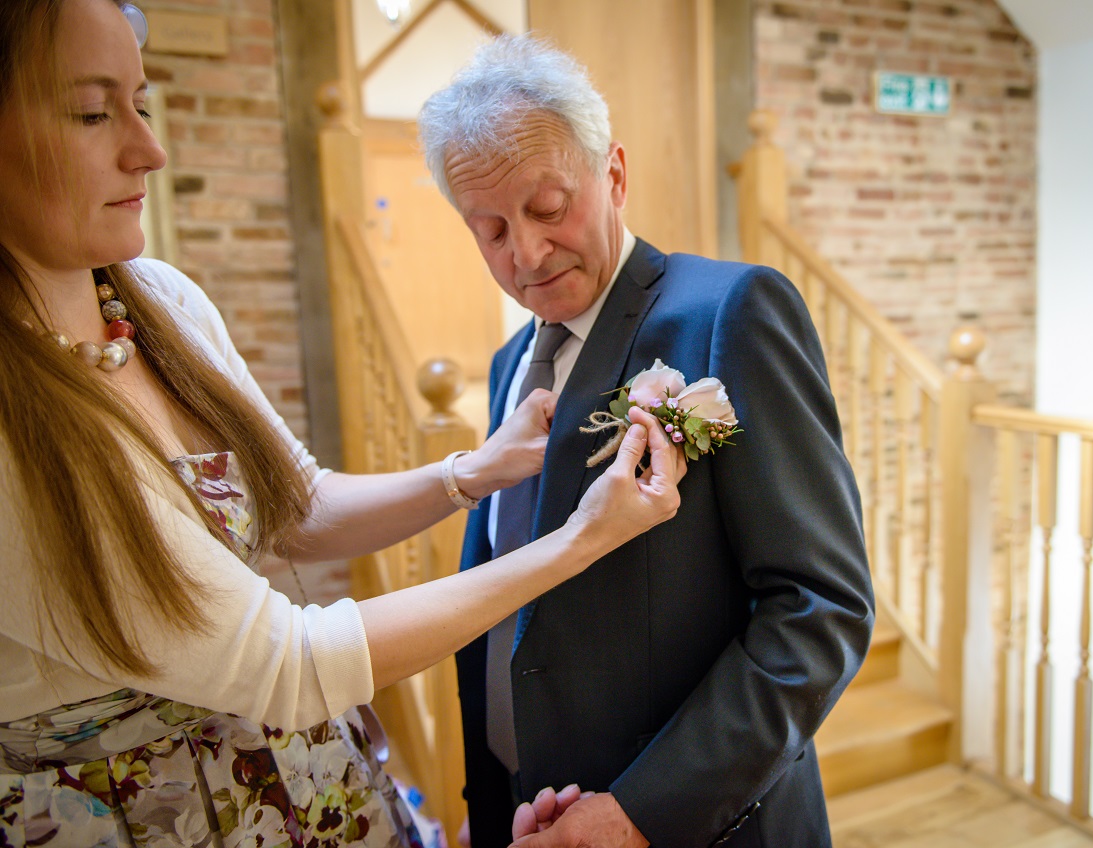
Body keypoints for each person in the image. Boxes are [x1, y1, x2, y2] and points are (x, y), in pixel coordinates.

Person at [0, 4, 684, 847]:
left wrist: (467, 473)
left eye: (141, 103)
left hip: (324, 793)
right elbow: (285, 663)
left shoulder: (160, 302)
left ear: (613, 176)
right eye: (91, 112)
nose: (150, 148)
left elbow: (293, 506)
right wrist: (581, 539)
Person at [418, 35, 875, 848]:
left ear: (614, 175)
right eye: (488, 230)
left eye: (549, 209)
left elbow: (819, 608)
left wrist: (643, 813)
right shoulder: (507, 367)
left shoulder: (729, 312)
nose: (524, 254)